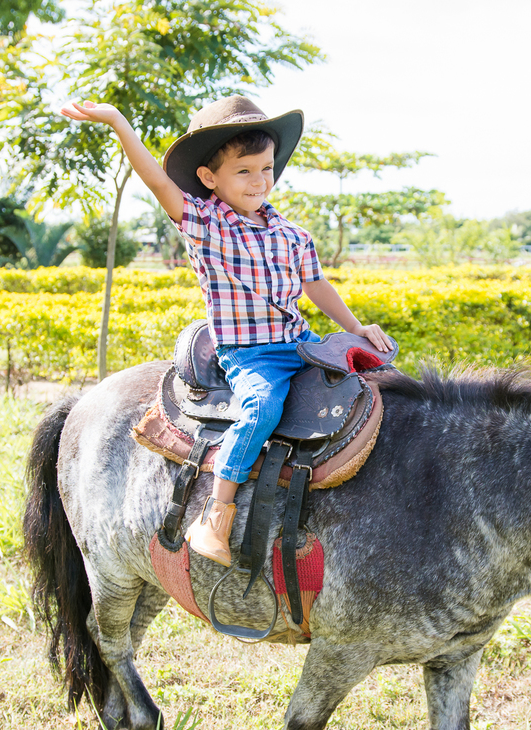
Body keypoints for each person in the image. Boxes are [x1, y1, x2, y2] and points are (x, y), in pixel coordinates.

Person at [60, 96, 390, 567]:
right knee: (261, 407)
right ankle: (216, 512)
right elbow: (155, 178)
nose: (259, 181)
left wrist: (356, 328)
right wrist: (117, 121)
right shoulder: (205, 224)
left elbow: (315, 285)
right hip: (251, 354)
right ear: (210, 178)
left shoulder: (293, 235)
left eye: (266, 169)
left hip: (301, 343)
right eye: (244, 171)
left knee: (374, 381)